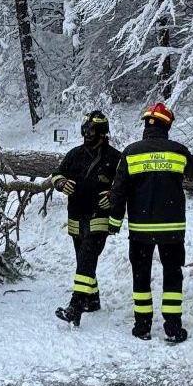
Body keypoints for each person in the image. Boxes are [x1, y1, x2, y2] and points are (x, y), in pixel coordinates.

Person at [108, 103, 193, 343]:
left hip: (140, 229)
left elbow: (118, 191)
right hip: (172, 228)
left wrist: (114, 221)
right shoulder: (178, 151)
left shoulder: (131, 152)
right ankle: (172, 328)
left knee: (140, 275)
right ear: (167, 126)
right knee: (172, 274)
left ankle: (142, 327)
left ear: (146, 125)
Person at [50, 111, 122, 327]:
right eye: (85, 130)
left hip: (99, 218)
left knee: (88, 257)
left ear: (102, 134)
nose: (87, 135)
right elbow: (56, 174)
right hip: (76, 217)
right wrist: (61, 183)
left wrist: (112, 196)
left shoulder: (115, 158)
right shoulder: (74, 154)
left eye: (91, 131)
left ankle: (76, 306)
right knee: (84, 260)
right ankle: (92, 298)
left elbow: (124, 186)